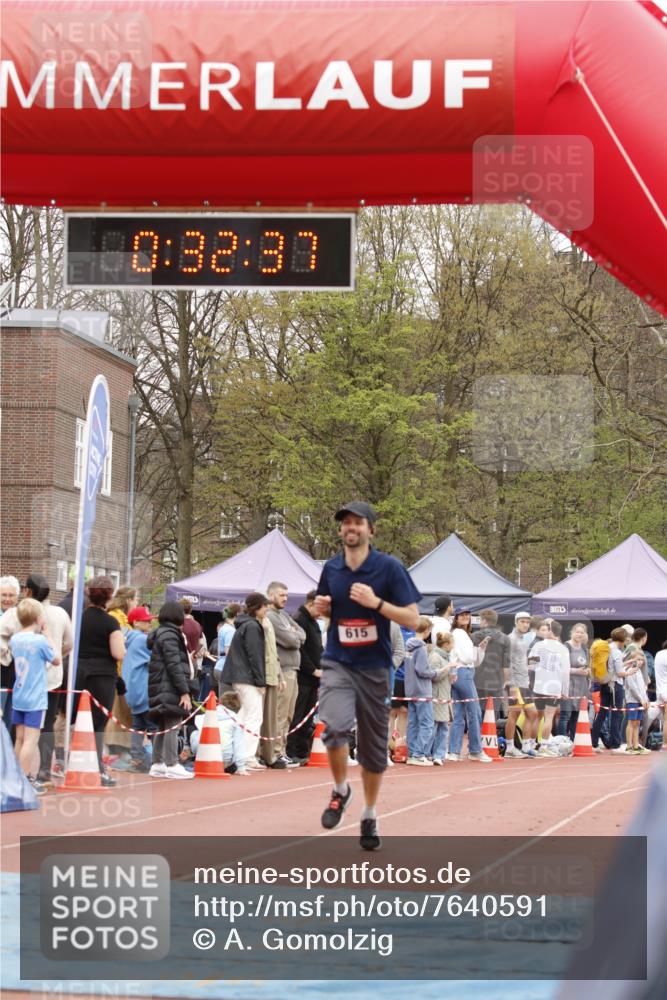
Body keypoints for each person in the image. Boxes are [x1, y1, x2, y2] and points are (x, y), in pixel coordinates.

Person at [314, 500, 421, 851]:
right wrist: (324, 609)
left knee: (374, 752)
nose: (351, 527)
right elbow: (327, 611)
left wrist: (377, 604)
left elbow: (413, 620)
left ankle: (370, 813)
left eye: (358, 522)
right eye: (345, 522)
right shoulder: (331, 568)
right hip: (338, 662)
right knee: (334, 727)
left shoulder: (389, 569)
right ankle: (341, 789)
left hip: (375, 668)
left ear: (371, 530)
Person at [74, 576, 126, 787]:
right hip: (102, 676)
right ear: (109, 596)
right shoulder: (110, 622)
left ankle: (75, 763)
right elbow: (118, 652)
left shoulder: (79, 618)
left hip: (79, 673)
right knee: (97, 724)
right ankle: (97, 769)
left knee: (77, 720)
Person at [8, 597, 60, 794]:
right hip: (35, 697)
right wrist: (48, 634)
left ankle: (15, 776)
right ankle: (25, 779)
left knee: (20, 738)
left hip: (20, 694)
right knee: (31, 739)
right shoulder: (39, 641)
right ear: (39, 618)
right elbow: (55, 659)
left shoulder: (15, 639)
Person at [147, 601, 197, 779]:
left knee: (163, 724)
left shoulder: (161, 633)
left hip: (160, 684)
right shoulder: (171, 635)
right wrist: (184, 690)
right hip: (169, 685)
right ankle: (172, 763)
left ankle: (158, 762)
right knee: (173, 724)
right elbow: (174, 664)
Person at [220, 593, 269, 771]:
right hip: (247, 677)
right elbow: (255, 655)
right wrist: (260, 681)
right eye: (265, 606)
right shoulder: (253, 627)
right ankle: (247, 756)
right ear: (257, 607)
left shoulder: (243, 625)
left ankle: (240, 754)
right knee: (254, 717)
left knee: (242, 717)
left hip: (239, 676)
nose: (267, 609)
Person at [267, 581, 306, 766]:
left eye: (286, 595)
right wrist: (293, 635)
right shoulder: (272, 617)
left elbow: (301, 633)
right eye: (282, 595)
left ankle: (281, 750)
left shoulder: (283, 614)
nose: (285, 599)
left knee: (289, 714)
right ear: (271, 595)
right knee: (280, 714)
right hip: (283, 671)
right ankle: (275, 752)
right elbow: (292, 641)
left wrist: (294, 634)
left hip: (293, 670)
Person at [446, 608, 492, 763]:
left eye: (467, 615)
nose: (466, 617)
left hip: (460, 672)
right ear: (456, 618)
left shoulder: (463, 634)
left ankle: (454, 751)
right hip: (463, 673)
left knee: (459, 715)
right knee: (475, 712)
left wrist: (481, 649)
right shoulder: (459, 634)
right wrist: (476, 652)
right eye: (462, 615)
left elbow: (474, 661)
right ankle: (475, 750)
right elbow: (468, 658)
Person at [287, 590, 323, 765]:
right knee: (297, 714)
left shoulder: (314, 622)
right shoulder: (299, 618)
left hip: (314, 677)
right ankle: (291, 750)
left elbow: (317, 648)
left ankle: (302, 750)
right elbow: (300, 649)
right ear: (311, 604)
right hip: (303, 676)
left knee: (307, 716)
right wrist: (312, 669)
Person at [528, 619, 570, 755]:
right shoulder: (562, 648)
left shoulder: (539, 645)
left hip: (539, 685)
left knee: (538, 717)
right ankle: (544, 745)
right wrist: (565, 691)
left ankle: (532, 744)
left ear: (551, 631)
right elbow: (565, 672)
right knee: (549, 717)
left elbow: (531, 665)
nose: (545, 631)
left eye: (547, 628)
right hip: (554, 686)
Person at [122, 606, 156, 772]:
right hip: (143, 688)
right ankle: (159, 760)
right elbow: (157, 658)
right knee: (153, 725)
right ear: (135, 622)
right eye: (146, 621)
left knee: (137, 725)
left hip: (132, 689)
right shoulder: (142, 640)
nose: (150, 623)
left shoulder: (128, 638)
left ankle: (137, 758)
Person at [404, 617, 440, 766]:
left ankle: (413, 753)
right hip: (422, 690)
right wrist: (436, 673)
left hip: (410, 689)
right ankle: (418, 754)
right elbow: (422, 670)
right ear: (426, 630)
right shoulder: (421, 647)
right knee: (427, 723)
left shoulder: (409, 646)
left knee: (413, 723)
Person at [505, 611, 539, 758]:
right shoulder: (511, 639)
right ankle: (510, 748)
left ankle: (525, 746)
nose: (525, 624)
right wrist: (511, 684)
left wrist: (529, 661)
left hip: (524, 682)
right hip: (515, 683)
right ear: (516, 622)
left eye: (527, 622)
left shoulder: (522, 639)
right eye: (522, 621)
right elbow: (507, 662)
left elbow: (519, 660)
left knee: (532, 713)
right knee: (514, 714)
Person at [190, 691, 247, 774]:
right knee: (236, 740)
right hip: (224, 758)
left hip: (203, 753)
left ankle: (193, 757)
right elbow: (238, 745)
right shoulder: (237, 721)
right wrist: (241, 767)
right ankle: (227, 765)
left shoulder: (206, 714)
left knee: (195, 733)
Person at [428, 631, 458, 765]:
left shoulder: (446, 657)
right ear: (446, 644)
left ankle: (438, 755)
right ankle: (427, 753)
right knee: (433, 727)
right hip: (436, 696)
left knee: (444, 727)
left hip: (444, 696)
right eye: (452, 643)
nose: (453, 646)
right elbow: (434, 676)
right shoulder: (435, 657)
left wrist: (452, 676)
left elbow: (444, 677)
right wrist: (448, 668)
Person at [472, 608, 510, 710]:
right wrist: (505, 681)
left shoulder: (473, 637)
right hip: (496, 683)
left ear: (484, 621)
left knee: (476, 715)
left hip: (476, 681)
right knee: (492, 717)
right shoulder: (505, 638)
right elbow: (506, 665)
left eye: (480, 620)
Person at [558, 623, 591, 742]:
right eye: (577, 632)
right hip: (569, 685)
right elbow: (561, 667)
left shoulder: (584, 649)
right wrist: (577, 671)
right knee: (565, 716)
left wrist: (587, 671)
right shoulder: (565, 647)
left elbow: (587, 666)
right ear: (572, 633)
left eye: (582, 632)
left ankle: (573, 741)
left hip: (581, 687)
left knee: (576, 716)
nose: (579, 634)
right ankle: (561, 742)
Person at [0, 574, 20, 728]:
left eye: (11, 595)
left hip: (15, 670)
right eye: (3, 595)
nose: (7, 599)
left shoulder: (21, 616)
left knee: (9, 717)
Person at [654, 640, 667, 751]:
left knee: (665, 720)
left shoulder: (659, 654)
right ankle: (665, 744)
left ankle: (664, 744)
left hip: (660, 691)